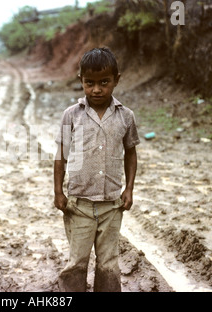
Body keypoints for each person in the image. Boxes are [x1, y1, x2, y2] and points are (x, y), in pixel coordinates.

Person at [53, 47, 140, 292]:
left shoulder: (126, 116)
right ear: (81, 80)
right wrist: (58, 192)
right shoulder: (71, 115)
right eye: (89, 83)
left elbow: (131, 152)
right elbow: (61, 155)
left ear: (116, 80)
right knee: (77, 262)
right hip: (79, 204)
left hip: (112, 205)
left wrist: (129, 189)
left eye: (104, 82)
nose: (96, 89)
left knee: (109, 263)